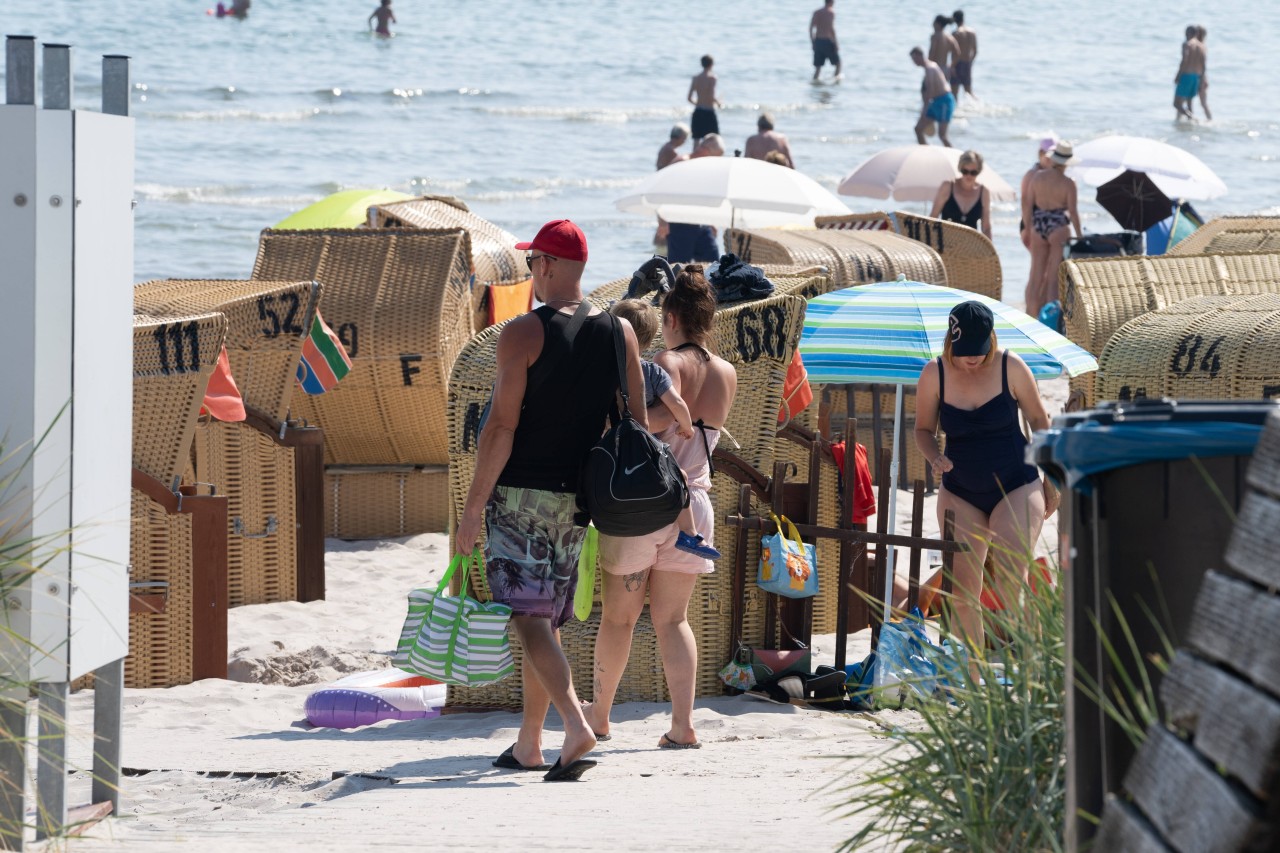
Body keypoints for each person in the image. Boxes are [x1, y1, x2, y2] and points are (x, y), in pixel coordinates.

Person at [456, 219, 647, 782]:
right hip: (582, 499)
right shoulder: (621, 332)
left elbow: (499, 429)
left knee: (528, 617)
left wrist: (472, 509)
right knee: (547, 619)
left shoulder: (522, 334)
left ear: (549, 266)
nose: (531, 269)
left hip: (522, 495)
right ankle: (529, 743)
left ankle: (575, 723)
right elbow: (635, 420)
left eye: (535, 260)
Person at [584, 266, 737, 750]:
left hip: (644, 502)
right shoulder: (727, 373)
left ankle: (601, 716)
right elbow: (698, 428)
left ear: (670, 316)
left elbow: (653, 424)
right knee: (674, 621)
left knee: (619, 618)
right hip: (695, 503)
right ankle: (682, 724)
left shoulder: (667, 362)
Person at [913, 301, 1052, 660]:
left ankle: (1031, 669)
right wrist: (934, 456)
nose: (972, 359)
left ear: (991, 339)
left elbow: (1040, 421)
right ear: (950, 342)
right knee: (962, 592)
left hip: (1017, 481)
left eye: (979, 350)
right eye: (964, 353)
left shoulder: (1011, 366)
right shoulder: (935, 374)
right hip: (960, 489)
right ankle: (970, 679)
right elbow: (923, 430)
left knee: (1009, 579)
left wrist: (1051, 474)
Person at [608, 299, 721, 560]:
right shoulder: (652, 372)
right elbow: (677, 404)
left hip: (610, 447)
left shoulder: (600, 369)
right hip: (643, 449)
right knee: (678, 476)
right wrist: (685, 426)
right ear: (648, 340)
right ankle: (690, 533)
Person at [1022, 140, 1081, 319]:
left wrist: (1027, 227)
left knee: (1035, 275)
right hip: (1058, 228)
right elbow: (1073, 212)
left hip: (1038, 225)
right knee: (1054, 278)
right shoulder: (1068, 183)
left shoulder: (1037, 177)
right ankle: (1050, 320)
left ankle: (1030, 317)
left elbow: (1027, 205)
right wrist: (1080, 237)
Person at [666, 134, 724, 263]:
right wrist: (662, 221)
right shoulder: (681, 163)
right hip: (680, 223)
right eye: (716, 157)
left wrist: (711, 220)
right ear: (704, 150)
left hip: (701, 222)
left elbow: (705, 196)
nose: (716, 162)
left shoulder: (705, 168)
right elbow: (663, 192)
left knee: (713, 265)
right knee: (677, 269)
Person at [930, 150, 991, 238]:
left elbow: (986, 228)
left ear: (979, 171)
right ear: (960, 169)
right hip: (945, 242)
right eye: (965, 171)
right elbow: (933, 218)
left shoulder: (984, 192)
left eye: (973, 173)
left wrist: (990, 250)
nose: (968, 176)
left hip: (971, 245)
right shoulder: (947, 186)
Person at [911, 47, 954, 147]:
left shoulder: (930, 68)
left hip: (944, 101)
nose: (914, 62)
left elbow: (930, 93)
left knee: (942, 135)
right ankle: (925, 151)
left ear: (920, 56)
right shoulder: (928, 68)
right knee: (918, 129)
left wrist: (924, 110)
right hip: (935, 102)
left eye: (914, 58)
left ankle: (957, 159)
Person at [687, 55, 721, 147]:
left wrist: (698, 103)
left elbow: (689, 98)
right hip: (709, 112)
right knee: (714, 140)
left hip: (698, 111)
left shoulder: (696, 78)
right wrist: (718, 103)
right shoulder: (712, 78)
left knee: (696, 140)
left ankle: (695, 159)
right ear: (711, 64)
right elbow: (711, 96)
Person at [1174, 25, 1206, 121]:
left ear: (1188, 33)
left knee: (1176, 104)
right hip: (1196, 77)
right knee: (1189, 103)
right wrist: (1201, 80)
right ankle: (1189, 127)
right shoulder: (1202, 46)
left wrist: (1178, 75)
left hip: (1186, 75)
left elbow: (1184, 61)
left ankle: (1191, 117)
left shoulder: (1187, 45)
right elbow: (1203, 66)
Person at [809, 0, 842, 82]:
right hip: (827, 41)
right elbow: (831, 29)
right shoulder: (831, 13)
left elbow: (810, 28)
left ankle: (815, 87)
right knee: (838, 64)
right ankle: (835, 83)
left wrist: (813, 42)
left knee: (818, 69)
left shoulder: (817, 12)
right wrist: (836, 43)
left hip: (818, 42)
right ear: (832, 2)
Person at [950, 10, 978, 100]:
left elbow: (954, 52)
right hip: (967, 63)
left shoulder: (956, 33)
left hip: (957, 64)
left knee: (954, 92)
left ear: (954, 19)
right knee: (969, 92)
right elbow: (975, 51)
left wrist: (952, 66)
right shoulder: (972, 32)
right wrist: (970, 63)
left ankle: (954, 112)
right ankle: (977, 105)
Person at [928, 15, 959, 80]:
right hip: (945, 69)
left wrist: (928, 66)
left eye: (934, 23)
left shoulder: (935, 36)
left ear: (938, 24)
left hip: (935, 68)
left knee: (931, 89)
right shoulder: (949, 37)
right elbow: (957, 52)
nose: (932, 25)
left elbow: (932, 52)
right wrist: (951, 66)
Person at [1195, 25, 1212, 121]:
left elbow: (1203, 66)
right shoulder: (1200, 46)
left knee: (1203, 103)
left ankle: (1210, 120)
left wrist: (1202, 80)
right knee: (1203, 103)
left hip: (1200, 77)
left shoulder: (1201, 47)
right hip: (1199, 76)